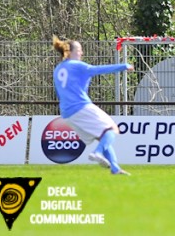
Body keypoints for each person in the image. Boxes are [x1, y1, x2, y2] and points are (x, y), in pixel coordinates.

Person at [53, 36, 134, 175]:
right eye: (79, 50)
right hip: (80, 106)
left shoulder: (58, 69)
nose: (81, 53)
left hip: (67, 113)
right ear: (69, 52)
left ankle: (115, 168)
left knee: (102, 137)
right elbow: (97, 70)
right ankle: (97, 152)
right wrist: (123, 66)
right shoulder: (76, 65)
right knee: (112, 129)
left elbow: (61, 92)